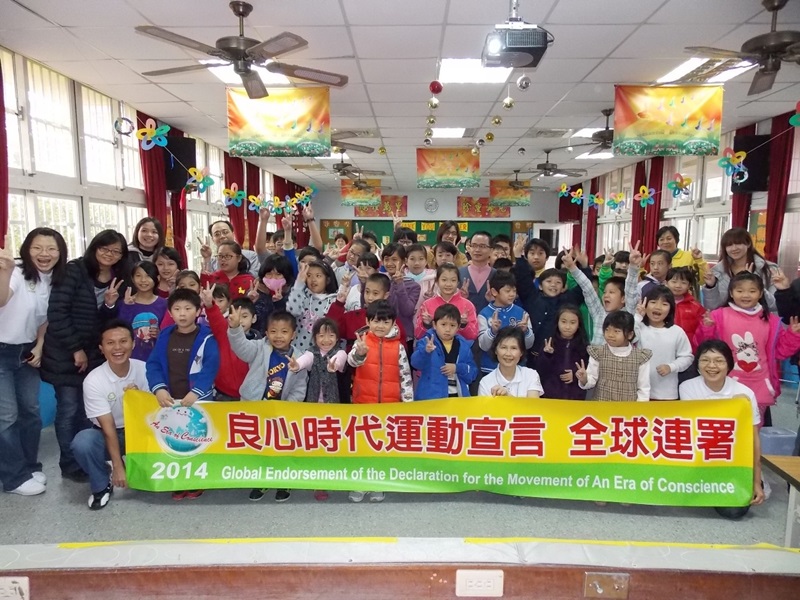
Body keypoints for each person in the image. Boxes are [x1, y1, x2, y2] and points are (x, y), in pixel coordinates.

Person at [42, 229, 130, 482]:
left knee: (86, 411)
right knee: (69, 409)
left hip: (93, 354)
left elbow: (103, 322)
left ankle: (85, 460)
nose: (109, 254)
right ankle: (70, 465)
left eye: (116, 251)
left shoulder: (117, 277)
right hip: (64, 354)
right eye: (105, 248)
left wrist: (110, 303)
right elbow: (57, 312)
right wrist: (75, 349)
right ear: (95, 247)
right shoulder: (75, 270)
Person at [0, 228, 67, 496]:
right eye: (37, 248)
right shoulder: (16, 272)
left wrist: (39, 346)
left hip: (25, 351)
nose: (44, 254)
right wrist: (5, 271)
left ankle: (28, 467)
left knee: (31, 411)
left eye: (51, 249)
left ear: (60, 253)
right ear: (27, 250)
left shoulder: (53, 281)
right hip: (1, 351)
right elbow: (1, 300)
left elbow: (45, 319)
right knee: (7, 416)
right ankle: (14, 478)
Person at [694, 271, 800, 423]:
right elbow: (704, 348)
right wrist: (707, 328)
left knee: (753, 428)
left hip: (760, 385)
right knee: (724, 425)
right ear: (731, 293)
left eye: (752, 291)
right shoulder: (718, 316)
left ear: (760, 294)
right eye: (740, 291)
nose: (746, 295)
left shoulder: (771, 320)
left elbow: (780, 352)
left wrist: (793, 335)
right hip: (724, 383)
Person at [146, 288, 220, 500]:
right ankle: (178, 479)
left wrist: (196, 392)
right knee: (175, 439)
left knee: (198, 439)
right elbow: (153, 364)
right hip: (171, 400)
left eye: (188, 308)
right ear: (170, 312)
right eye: (177, 309)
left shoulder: (207, 337)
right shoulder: (165, 335)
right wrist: (159, 388)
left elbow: (211, 366)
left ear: (198, 311)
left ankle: (196, 479)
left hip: (199, 400)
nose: (183, 313)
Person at [679, 339, 765, 519]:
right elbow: (693, 429)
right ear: (697, 364)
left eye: (719, 361)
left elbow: (753, 440)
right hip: (699, 458)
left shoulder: (745, 393)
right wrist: (730, 407)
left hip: (732, 461)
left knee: (734, 511)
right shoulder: (687, 388)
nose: (711, 366)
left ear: (729, 365)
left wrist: (756, 481)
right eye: (705, 360)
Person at [228, 308, 307, 502]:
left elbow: (300, 388)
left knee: (283, 447)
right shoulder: (258, 348)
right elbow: (240, 347)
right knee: (259, 446)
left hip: (281, 413)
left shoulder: (300, 358)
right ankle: (262, 480)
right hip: (254, 408)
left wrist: (286, 407)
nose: (278, 336)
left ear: (293, 334)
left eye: (284, 331)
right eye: (273, 331)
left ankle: (284, 481)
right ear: (266, 333)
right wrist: (235, 328)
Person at [70, 320, 148, 510]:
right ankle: (102, 484)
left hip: (141, 430)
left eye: (123, 341)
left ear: (133, 343)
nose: (118, 348)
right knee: (83, 442)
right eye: (110, 343)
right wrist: (118, 465)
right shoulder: (94, 380)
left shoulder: (145, 369)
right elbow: (108, 428)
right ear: (101, 348)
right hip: (109, 432)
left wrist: (140, 399)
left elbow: (156, 414)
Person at [347, 300, 413, 503]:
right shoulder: (361, 342)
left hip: (390, 407)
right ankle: (360, 484)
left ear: (393, 323)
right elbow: (351, 362)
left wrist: (408, 405)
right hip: (363, 404)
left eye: (386, 322)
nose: (381, 326)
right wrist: (360, 353)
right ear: (368, 321)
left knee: (383, 447)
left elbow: (405, 376)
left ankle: (378, 483)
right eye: (376, 321)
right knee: (363, 447)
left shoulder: (399, 347)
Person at [566, 242, 643, 345]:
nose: (606, 295)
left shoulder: (628, 314)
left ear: (623, 298)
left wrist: (633, 266)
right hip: (596, 355)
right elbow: (587, 288)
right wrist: (572, 267)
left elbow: (630, 291)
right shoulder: (599, 313)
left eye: (611, 292)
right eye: (605, 292)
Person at [576, 311, 652, 402]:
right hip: (602, 406)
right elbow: (591, 380)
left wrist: (639, 408)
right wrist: (584, 379)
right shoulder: (598, 353)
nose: (610, 335)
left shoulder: (640, 358)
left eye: (616, 331)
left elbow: (643, 389)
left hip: (628, 408)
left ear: (630, 334)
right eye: (607, 330)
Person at [634, 286, 693, 400]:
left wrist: (671, 367)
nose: (658, 307)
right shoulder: (638, 327)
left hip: (667, 394)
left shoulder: (677, 332)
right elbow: (627, 338)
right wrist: (637, 317)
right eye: (653, 302)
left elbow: (687, 357)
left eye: (664, 304)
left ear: (671, 309)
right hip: (639, 393)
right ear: (645, 305)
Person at [412, 304, 478, 400]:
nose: (447, 329)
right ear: (434, 325)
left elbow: (472, 373)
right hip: (431, 398)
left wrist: (457, 368)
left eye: (452, 325)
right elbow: (415, 363)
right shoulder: (426, 342)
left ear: (458, 327)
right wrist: (425, 351)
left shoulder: (464, 346)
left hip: (457, 398)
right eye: (443, 324)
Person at [703, 227, 777, 312]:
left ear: (748, 244)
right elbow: (712, 307)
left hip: (759, 318)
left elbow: (775, 305)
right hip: (728, 319)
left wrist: (754, 281)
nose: (734, 248)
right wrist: (711, 286)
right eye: (729, 245)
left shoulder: (768, 269)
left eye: (738, 243)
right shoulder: (718, 271)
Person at [199, 283, 251, 401]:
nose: (239, 320)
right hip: (222, 393)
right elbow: (216, 319)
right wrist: (209, 305)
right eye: (235, 316)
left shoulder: (259, 341)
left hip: (250, 396)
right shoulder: (224, 332)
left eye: (244, 316)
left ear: (254, 318)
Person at [477, 271, 534, 376]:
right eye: (507, 291)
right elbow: (483, 346)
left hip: (517, 369)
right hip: (490, 369)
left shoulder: (522, 313)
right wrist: (492, 331)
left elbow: (529, 345)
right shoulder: (484, 314)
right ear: (494, 292)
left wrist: (525, 331)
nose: (512, 294)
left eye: (514, 291)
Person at [116, 261, 168, 361]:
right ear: (132, 278)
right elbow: (120, 330)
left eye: (148, 276)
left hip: (156, 359)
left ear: (157, 278)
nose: (143, 280)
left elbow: (171, 332)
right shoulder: (124, 303)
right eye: (138, 276)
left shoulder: (164, 304)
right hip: (131, 359)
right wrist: (126, 307)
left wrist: (160, 334)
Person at [538, 305, 589, 400]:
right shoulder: (549, 343)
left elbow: (588, 371)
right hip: (551, 398)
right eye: (563, 322)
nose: (567, 327)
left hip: (575, 399)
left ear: (579, 325)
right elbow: (540, 370)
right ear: (557, 322)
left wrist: (575, 375)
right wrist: (546, 355)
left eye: (572, 322)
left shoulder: (584, 346)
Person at [416, 264, 478, 341]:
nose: (448, 284)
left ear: (458, 282)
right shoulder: (426, 305)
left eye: (453, 280)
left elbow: (473, 335)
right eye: (444, 280)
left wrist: (464, 325)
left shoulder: (467, 305)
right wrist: (426, 325)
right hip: (433, 347)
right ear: (437, 281)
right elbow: (418, 335)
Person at [286, 260, 338, 353]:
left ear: (328, 280)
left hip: (323, 354)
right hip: (298, 352)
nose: (313, 280)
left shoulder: (334, 301)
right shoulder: (302, 296)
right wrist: (299, 283)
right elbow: (292, 310)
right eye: (309, 275)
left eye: (318, 276)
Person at [478, 326, 543, 397]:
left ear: (521, 352)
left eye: (513, 348)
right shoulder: (485, 382)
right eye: (503, 347)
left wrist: (508, 396)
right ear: (496, 350)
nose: (508, 353)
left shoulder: (531, 375)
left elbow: (533, 403)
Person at [382, 243, 420, 349]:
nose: (390, 263)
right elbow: (369, 307)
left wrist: (399, 284)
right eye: (386, 259)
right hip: (381, 334)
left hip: (404, 336)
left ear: (404, 261)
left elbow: (407, 311)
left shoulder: (414, 285)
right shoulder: (380, 281)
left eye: (394, 259)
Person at [666, 267, 706, 352]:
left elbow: (701, 331)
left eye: (683, 283)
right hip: (665, 348)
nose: (678, 286)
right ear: (666, 283)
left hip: (688, 350)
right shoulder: (659, 304)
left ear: (689, 285)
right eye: (674, 282)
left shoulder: (696, 307)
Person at [459, 231, 495, 315]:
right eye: (474, 245)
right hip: (464, 320)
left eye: (482, 246)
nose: (477, 250)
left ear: (491, 250)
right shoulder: (458, 273)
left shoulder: (497, 275)